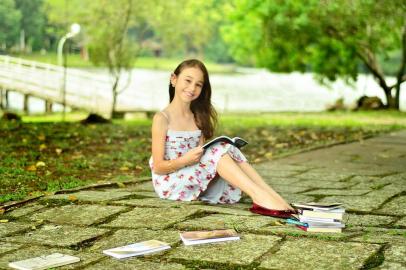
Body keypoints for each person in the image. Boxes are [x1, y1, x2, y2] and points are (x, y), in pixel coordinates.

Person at [149, 59, 295, 218]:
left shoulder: (198, 117)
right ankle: (259, 198)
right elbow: (158, 167)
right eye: (188, 80)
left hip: (191, 176)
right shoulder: (162, 118)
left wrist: (197, 157)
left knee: (227, 146)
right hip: (170, 182)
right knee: (219, 149)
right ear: (174, 79)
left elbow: (202, 159)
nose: (192, 88)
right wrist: (185, 160)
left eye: (198, 84)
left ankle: (272, 196)